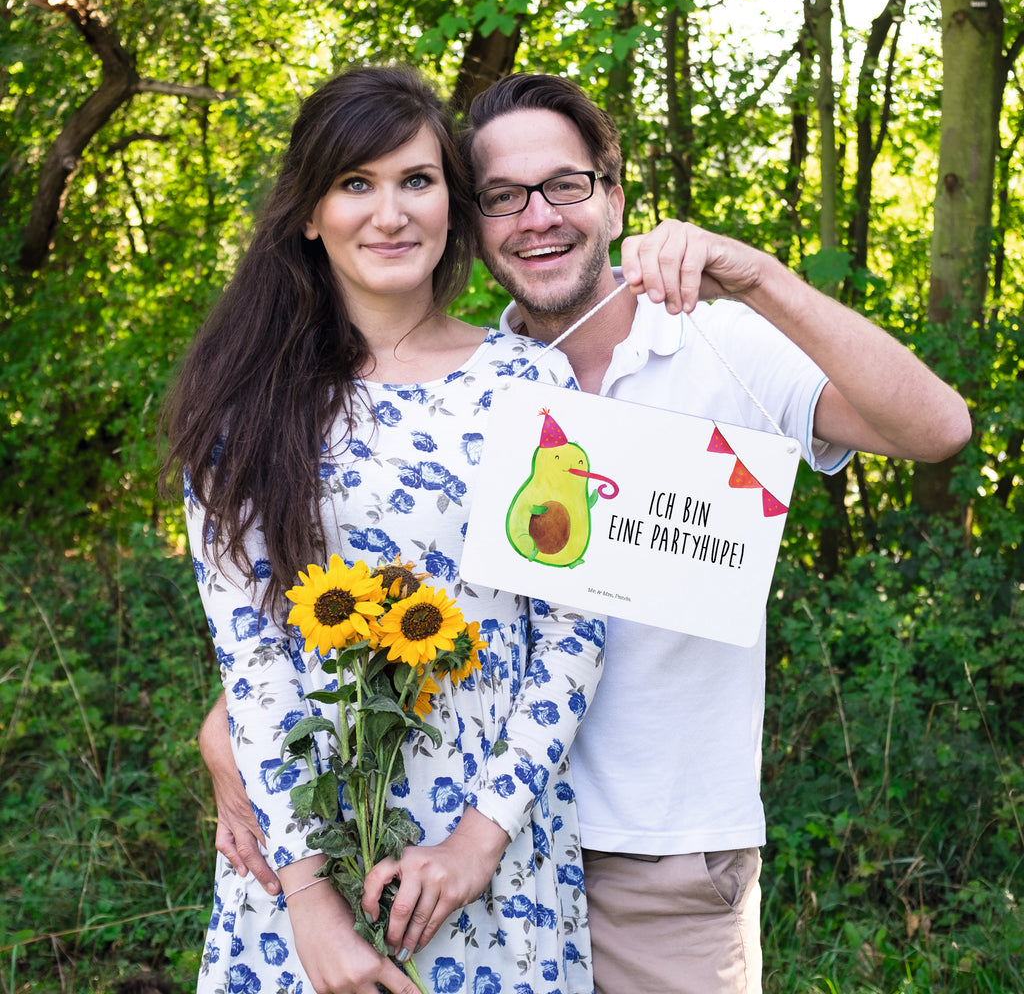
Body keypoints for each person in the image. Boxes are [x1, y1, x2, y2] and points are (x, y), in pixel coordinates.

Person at [202, 72, 972, 994]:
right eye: (502, 196)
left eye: (565, 185)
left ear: (612, 195)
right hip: (420, 845)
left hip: (651, 858)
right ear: (474, 220)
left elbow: (937, 431)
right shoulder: (463, 386)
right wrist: (235, 741)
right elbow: (330, 603)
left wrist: (759, 276)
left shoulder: (710, 344)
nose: (537, 217)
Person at [163, 66, 608, 994]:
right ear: (309, 214)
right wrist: (311, 907)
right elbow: (253, 661)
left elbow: (574, 630)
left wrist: (478, 843)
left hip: (492, 857)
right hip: (302, 855)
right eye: (355, 184)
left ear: (452, 200)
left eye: (417, 180)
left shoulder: (533, 386)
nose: (391, 213)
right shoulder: (244, 408)